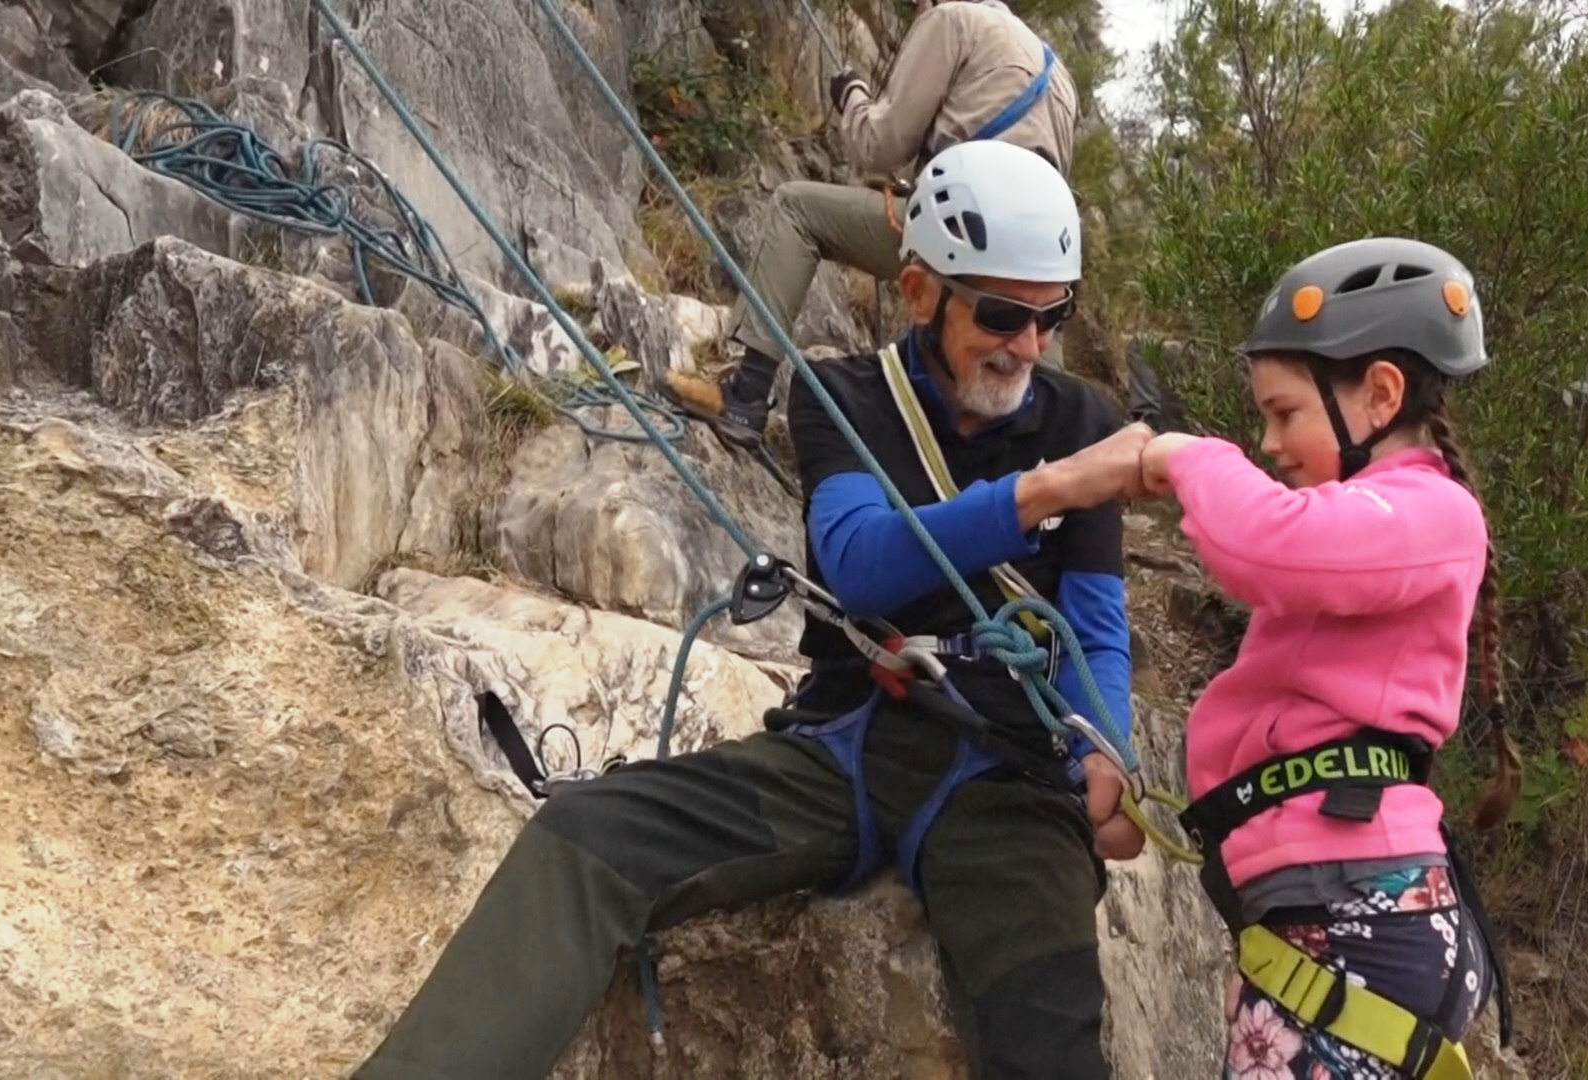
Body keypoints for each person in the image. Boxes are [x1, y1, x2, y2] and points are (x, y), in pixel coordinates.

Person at [353, 139, 1151, 1080]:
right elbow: (858, 564)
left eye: (1052, 316)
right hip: (851, 740)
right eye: (1003, 314)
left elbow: (1095, 626)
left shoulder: (1081, 422)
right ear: (919, 292)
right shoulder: (847, 396)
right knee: (590, 839)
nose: (1029, 345)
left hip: (1008, 771)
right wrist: (1045, 490)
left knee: (1048, 1042)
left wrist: (1108, 751)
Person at [1138, 238, 1518, 1079]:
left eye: (1285, 414)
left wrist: (1188, 454)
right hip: (1338, 913)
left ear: (1380, 394)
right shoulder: (1381, 520)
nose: (1269, 442)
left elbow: (1265, 545)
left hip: (1358, 916)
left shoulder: (1431, 511)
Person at [664, 0, 1080, 447]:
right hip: (1043, 264)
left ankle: (745, 395)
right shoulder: (1059, 75)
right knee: (1035, 349)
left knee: (795, 211)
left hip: (965, 237)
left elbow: (879, 146)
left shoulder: (953, 21)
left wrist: (852, 96)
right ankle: (1038, 456)